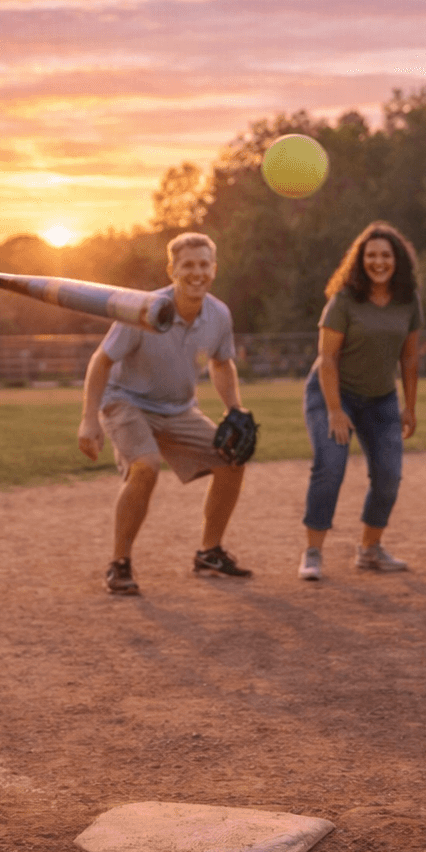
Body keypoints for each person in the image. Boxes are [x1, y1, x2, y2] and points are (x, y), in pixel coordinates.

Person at [77, 232, 252, 595]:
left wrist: (234, 408)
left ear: (214, 269)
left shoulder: (218, 314)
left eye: (204, 264)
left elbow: (222, 364)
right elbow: (102, 361)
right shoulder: (145, 309)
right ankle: (119, 563)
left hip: (178, 409)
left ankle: (209, 551)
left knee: (233, 458)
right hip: (126, 401)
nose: (197, 272)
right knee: (146, 466)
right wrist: (89, 418)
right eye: (188, 265)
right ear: (172, 270)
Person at [298, 222, 422, 581]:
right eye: (371, 255)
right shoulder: (345, 299)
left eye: (385, 255)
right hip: (333, 394)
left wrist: (410, 407)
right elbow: (328, 359)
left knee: (389, 475)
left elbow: (410, 359)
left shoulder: (408, 299)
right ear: (360, 259)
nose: (378, 262)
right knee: (330, 465)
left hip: (381, 399)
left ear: (397, 260)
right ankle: (313, 552)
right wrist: (335, 411)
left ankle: (369, 551)